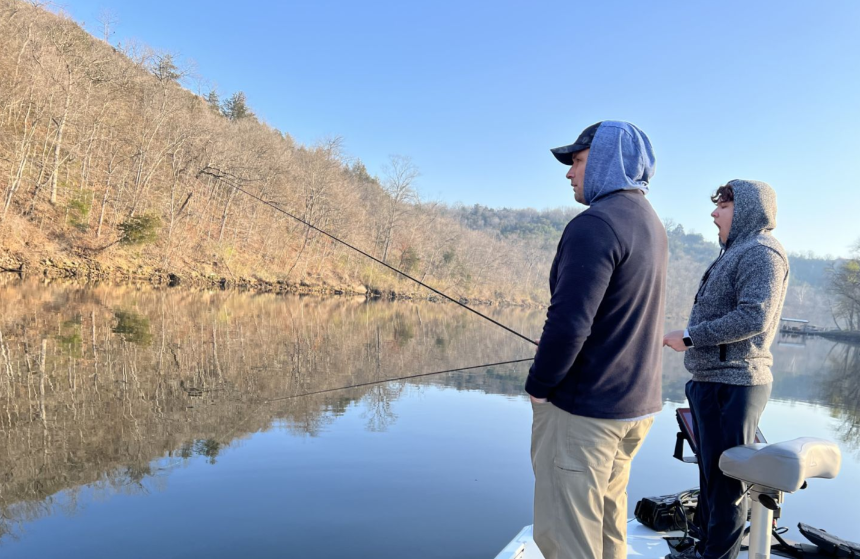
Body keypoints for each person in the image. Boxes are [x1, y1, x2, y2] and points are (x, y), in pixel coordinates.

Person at [526, 121, 668, 559]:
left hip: (586, 413)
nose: (569, 172)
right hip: (635, 410)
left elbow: (569, 324)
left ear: (608, 161)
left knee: (567, 539)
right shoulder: (651, 224)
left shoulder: (596, 225)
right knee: (607, 531)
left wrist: (538, 386)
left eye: (579, 161)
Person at [664, 180, 789, 559]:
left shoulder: (762, 252)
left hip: (734, 384)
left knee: (727, 484)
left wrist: (688, 337)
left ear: (748, 210)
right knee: (711, 479)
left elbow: (754, 316)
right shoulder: (736, 252)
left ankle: (716, 557)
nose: (714, 213)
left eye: (724, 206)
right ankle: (706, 548)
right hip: (711, 381)